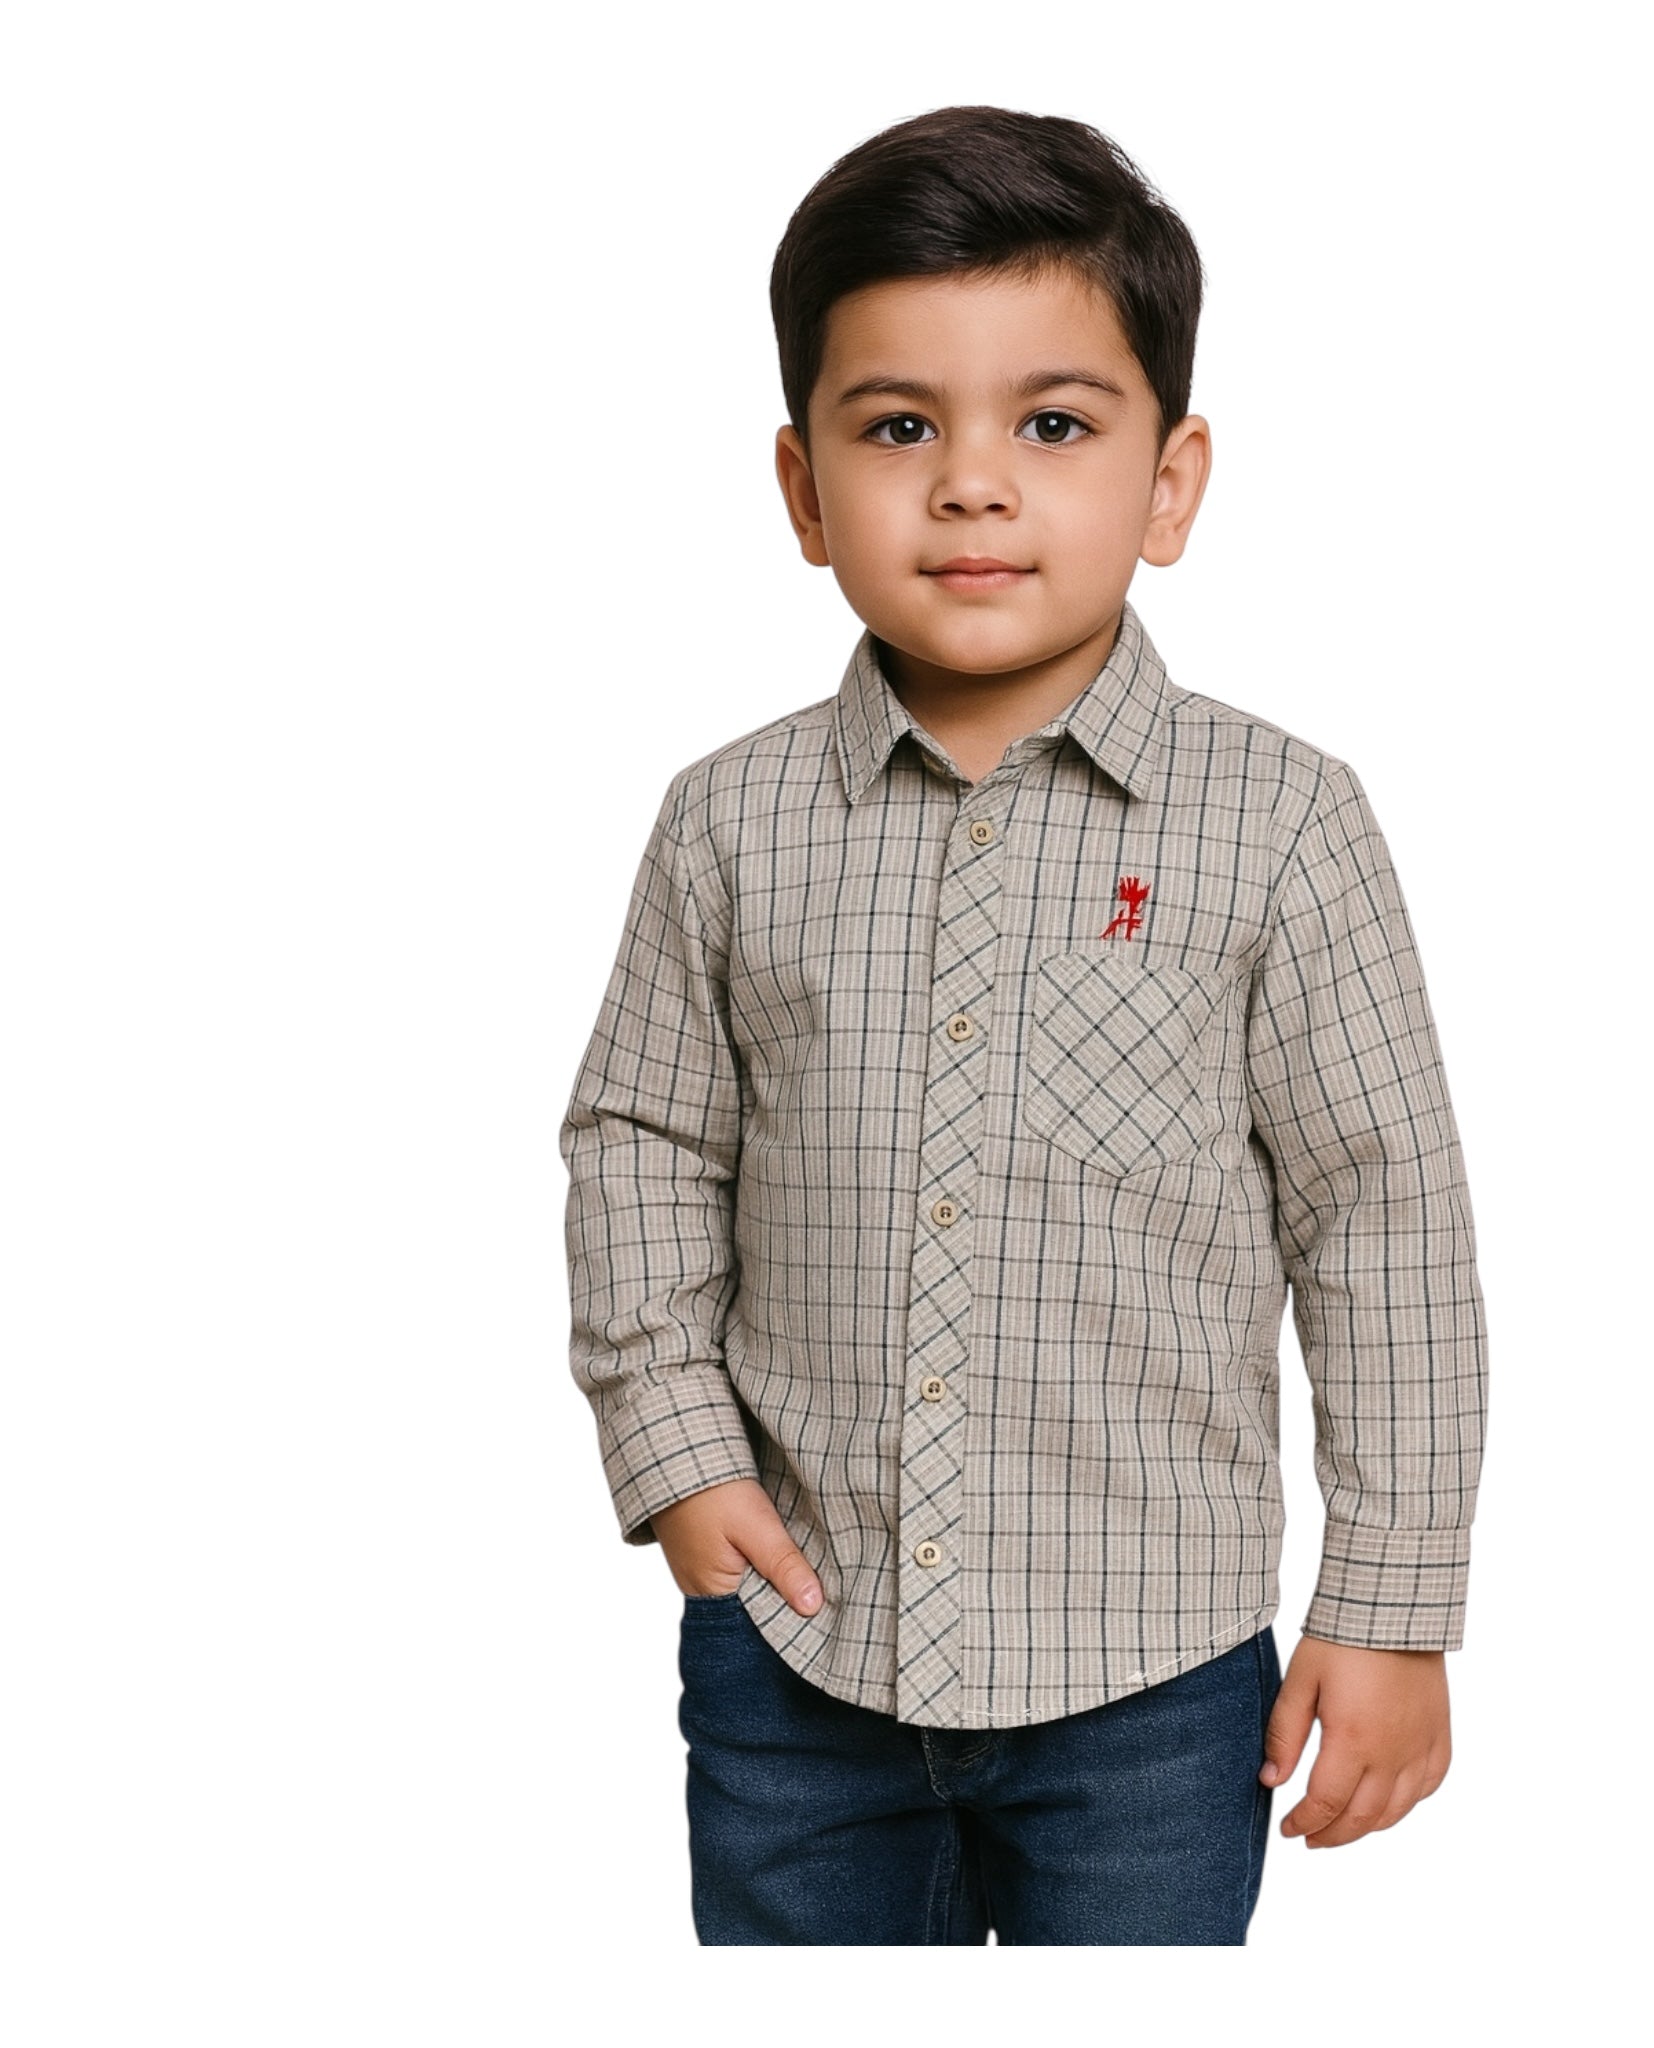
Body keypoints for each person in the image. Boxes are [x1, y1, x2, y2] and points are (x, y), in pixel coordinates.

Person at [557, 103, 1489, 1946]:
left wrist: (1390, 1607)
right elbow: (641, 1141)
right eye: (899, 427)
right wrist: (677, 1451)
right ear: (803, 489)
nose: (973, 484)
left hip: (1153, 1675)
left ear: (1172, 482)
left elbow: (1382, 1217)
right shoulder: (728, 821)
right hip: (797, 1644)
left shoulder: (1284, 822)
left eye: (1053, 425)